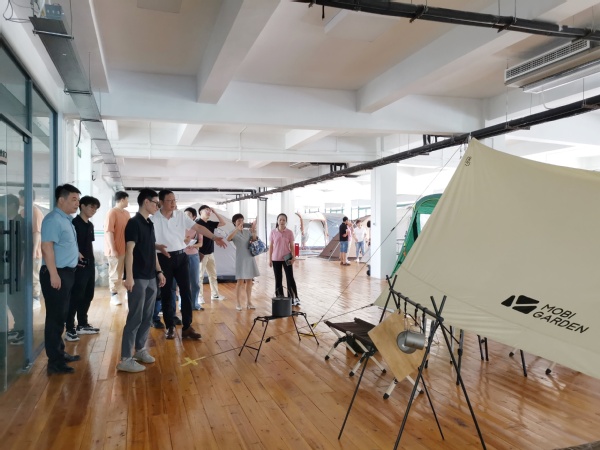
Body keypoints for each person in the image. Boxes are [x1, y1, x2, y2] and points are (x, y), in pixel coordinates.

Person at [153, 190, 226, 340]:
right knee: (167, 293)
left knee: (186, 291)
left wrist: (214, 237)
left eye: (174, 200)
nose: (173, 203)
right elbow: (148, 241)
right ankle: (170, 326)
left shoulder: (180, 215)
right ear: (160, 202)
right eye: (169, 200)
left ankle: (187, 327)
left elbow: (198, 227)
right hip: (163, 258)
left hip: (181, 257)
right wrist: (157, 247)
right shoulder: (153, 219)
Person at [117, 189, 166, 372]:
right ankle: (125, 358)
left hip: (151, 276)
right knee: (135, 317)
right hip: (137, 277)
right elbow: (129, 251)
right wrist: (128, 276)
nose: (157, 207)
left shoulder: (149, 223)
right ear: (146, 202)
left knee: (147, 316)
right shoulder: (133, 223)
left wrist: (159, 271)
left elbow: (151, 250)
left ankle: (139, 350)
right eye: (156, 203)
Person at [40, 183, 82, 375]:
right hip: (56, 273)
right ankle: (55, 362)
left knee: (61, 315)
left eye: (78, 200)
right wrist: (54, 274)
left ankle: (59, 352)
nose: (77, 203)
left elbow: (63, 244)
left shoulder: (66, 220)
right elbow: (46, 247)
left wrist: (76, 255)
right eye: (73, 199)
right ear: (61, 200)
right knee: (55, 318)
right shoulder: (53, 220)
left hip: (66, 273)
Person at [65, 196, 101, 342]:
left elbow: (88, 245)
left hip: (89, 264)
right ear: (82, 206)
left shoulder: (90, 225)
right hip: (78, 265)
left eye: (96, 208)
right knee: (76, 296)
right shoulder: (74, 223)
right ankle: (69, 327)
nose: (94, 210)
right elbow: (71, 245)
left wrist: (92, 262)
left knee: (88, 294)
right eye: (91, 207)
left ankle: (82, 323)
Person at [227, 214, 259, 311]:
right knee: (240, 281)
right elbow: (228, 239)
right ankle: (238, 302)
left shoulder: (247, 232)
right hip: (240, 258)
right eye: (238, 220)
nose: (241, 222)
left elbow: (254, 240)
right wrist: (237, 229)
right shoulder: (233, 232)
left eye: (242, 220)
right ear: (234, 222)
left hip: (249, 257)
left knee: (249, 281)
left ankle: (249, 302)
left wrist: (254, 231)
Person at [104, 191, 130, 305]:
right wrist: (113, 249)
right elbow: (109, 231)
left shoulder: (126, 213)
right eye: (127, 199)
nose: (128, 202)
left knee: (126, 272)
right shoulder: (112, 212)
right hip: (115, 250)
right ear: (122, 199)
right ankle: (113, 295)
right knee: (115, 273)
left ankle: (127, 291)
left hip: (126, 249)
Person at [19, 189, 43, 309]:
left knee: (34, 275)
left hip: (34, 251)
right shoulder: (23, 212)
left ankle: (36, 298)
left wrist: (34, 251)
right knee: (24, 273)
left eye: (20, 197)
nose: (19, 200)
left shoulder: (35, 212)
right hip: (24, 249)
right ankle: (27, 297)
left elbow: (37, 233)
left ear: (25, 197)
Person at [196, 205, 226, 302]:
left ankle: (215, 295)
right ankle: (199, 297)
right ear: (200, 212)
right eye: (206, 210)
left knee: (213, 275)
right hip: (201, 253)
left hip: (210, 253)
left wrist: (215, 212)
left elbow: (223, 223)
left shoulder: (210, 223)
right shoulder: (197, 223)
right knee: (200, 276)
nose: (209, 212)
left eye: (210, 210)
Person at [268, 213, 299, 306]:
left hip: (287, 257)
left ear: (286, 221)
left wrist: (293, 257)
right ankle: (279, 298)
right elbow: (271, 247)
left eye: (284, 220)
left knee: (290, 278)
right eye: (280, 220)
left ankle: (293, 298)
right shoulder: (273, 232)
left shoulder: (289, 232)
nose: (282, 221)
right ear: (277, 221)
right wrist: (270, 259)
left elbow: (292, 246)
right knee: (278, 279)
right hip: (276, 258)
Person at [184, 207, 204, 310]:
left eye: (188, 215)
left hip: (194, 256)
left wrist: (193, 245)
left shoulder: (198, 228)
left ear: (194, 217)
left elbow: (200, 244)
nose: (186, 217)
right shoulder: (179, 227)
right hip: (181, 256)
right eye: (185, 215)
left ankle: (194, 304)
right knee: (183, 282)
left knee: (195, 282)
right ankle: (183, 304)